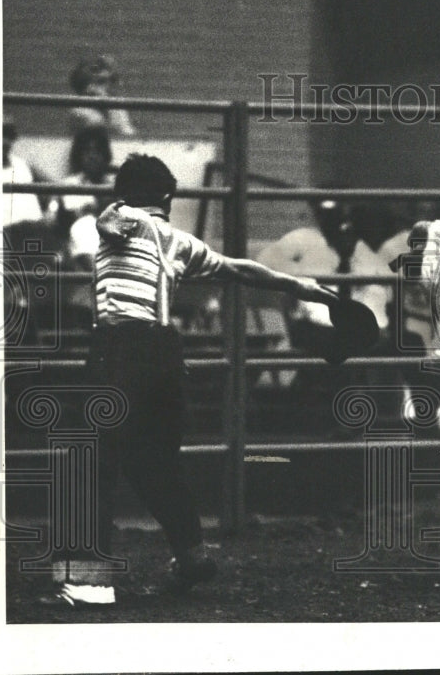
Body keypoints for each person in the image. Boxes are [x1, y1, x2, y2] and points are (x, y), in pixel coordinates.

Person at [46, 154, 339, 606]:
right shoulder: (181, 241)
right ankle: (192, 555)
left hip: (117, 352)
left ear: (125, 194)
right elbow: (241, 269)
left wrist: (112, 213)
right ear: (169, 197)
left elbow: (111, 221)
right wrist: (300, 286)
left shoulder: (120, 217)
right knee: (157, 463)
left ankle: (89, 584)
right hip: (165, 354)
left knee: (87, 463)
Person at [68, 54, 137, 137]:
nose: (107, 87)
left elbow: (128, 134)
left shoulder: (116, 109)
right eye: (101, 82)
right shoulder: (79, 111)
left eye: (110, 81)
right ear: (87, 85)